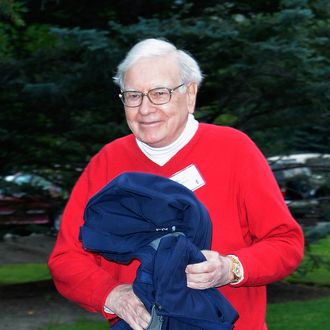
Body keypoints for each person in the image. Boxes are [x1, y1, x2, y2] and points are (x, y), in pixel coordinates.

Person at [48, 38, 304, 330]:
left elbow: (286, 243)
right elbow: (66, 257)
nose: (145, 109)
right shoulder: (107, 162)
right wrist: (113, 294)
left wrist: (229, 268)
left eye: (160, 93)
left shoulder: (234, 150)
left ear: (190, 93)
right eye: (133, 96)